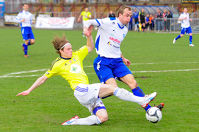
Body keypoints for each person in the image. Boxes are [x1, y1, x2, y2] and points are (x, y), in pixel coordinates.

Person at [16, 26, 157, 126]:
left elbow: (89, 47)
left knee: (102, 118)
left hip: (86, 94)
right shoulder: (57, 64)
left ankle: (75, 122)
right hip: (81, 90)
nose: (72, 50)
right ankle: (142, 100)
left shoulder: (77, 55)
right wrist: (29, 90)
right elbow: (43, 78)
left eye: (71, 48)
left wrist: (89, 36)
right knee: (113, 88)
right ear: (61, 51)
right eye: (69, 49)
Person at [83, 5, 164, 113]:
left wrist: (123, 57)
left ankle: (149, 109)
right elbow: (88, 22)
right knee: (112, 88)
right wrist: (86, 31)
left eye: (130, 16)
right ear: (120, 15)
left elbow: (115, 46)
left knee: (133, 83)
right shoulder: (109, 22)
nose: (129, 18)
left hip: (117, 62)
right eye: (127, 15)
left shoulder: (125, 30)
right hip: (103, 62)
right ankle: (90, 98)